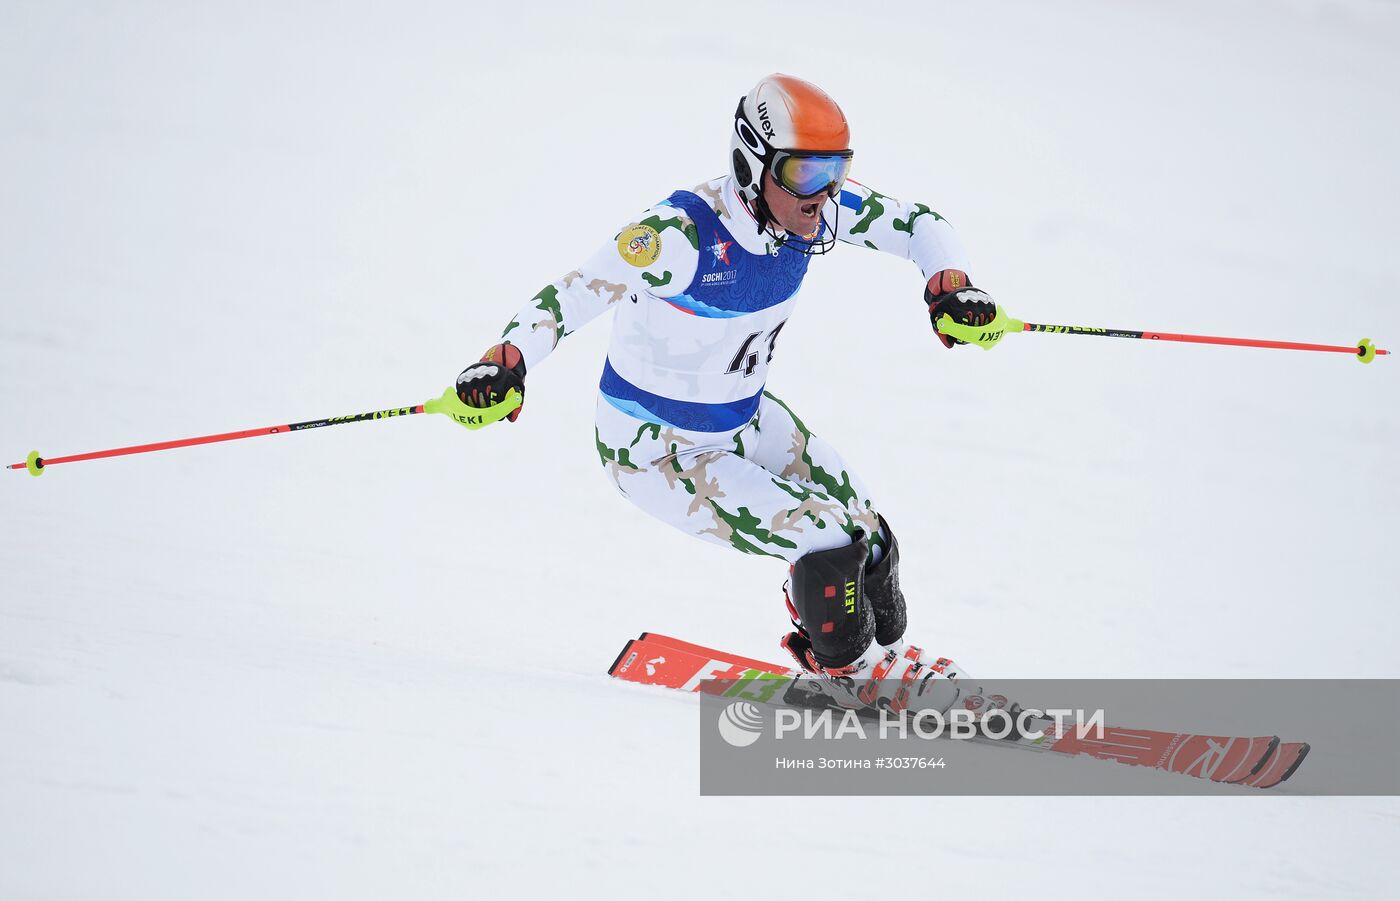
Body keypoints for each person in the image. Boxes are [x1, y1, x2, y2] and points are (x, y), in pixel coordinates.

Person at [451, 74, 1006, 715]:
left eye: (836, 171)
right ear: (752, 160)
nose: (823, 196)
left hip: (741, 420)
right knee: (825, 539)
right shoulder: (679, 236)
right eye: (804, 172)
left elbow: (917, 224)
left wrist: (949, 284)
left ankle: (882, 661)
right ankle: (854, 673)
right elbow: (573, 292)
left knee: (866, 529)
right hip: (657, 450)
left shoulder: (813, 205)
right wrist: (507, 362)